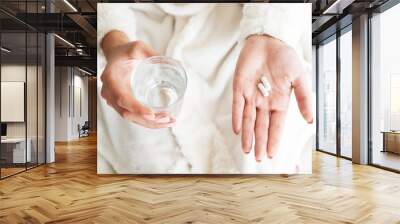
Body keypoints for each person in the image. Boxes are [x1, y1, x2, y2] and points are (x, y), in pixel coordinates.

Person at [97, 3, 314, 174]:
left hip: (239, 26)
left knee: (263, 154)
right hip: (139, 21)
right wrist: (114, 43)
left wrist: (269, 30)